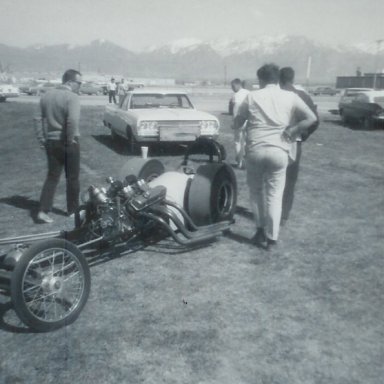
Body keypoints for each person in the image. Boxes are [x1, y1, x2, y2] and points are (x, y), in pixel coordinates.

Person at [234, 63, 317, 250]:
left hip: (255, 149)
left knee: (256, 192)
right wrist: (294, 129)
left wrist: (240, 123)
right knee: (275, 195)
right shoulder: (290, 96)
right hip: (280, 150)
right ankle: (272, 238)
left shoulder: (252, 96)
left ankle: (260, 230)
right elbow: (311, 118)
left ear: (261, 79)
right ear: (278, 78)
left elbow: (238, 122)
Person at [34, 69, 82, 223]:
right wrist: (69, 140)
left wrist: (42, 138)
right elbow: (72, 121)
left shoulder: (46, 95)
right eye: (78, 83)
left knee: (52, 177)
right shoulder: (72, 97)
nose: (80, 86)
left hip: (51, 142)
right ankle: (73, 211)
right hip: (68, 142)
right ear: (69, 82)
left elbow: (37, 118)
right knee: (72, 178)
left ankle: (43, 210)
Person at [279, 67, 319, 225]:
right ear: (293, 78)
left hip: (275, 141)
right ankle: (283, 214)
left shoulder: (278, 95)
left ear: (279, 79)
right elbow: (315, 120)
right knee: (290, 179)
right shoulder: (302, 96)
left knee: (273, 177)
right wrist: (304, 134)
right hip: (295, 142)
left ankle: (272, 211)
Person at [230, 78, 249, 168]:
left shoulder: (236, 95)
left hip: (239, 120)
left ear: (238, 85)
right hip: (248, 120)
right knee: (244, 142)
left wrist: (234, 122)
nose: (232, 88)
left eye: (233, 86)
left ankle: (239, 161)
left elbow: (235, 109)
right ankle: (243, 160)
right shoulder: (248, 93)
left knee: (237, 141)